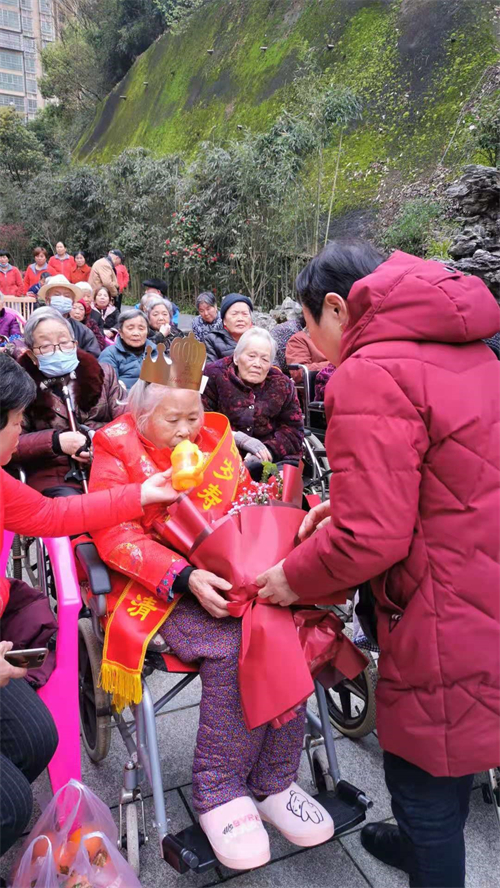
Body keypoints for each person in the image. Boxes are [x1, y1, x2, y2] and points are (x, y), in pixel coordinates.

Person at [256, 240, 500, 888]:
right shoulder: (468, 345)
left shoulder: (367, 372)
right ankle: (419, 843)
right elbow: (451, 471)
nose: (308, 345)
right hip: (484, 573)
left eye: (306, 328)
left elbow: (373, 540)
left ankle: (428, 855)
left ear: (336, 307)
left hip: (443, 604)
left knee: (422, 773)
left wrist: (290, 577)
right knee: (462, 743)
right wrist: (343, 504)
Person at [89, 342, 333, 871]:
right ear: (140, 414)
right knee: (233, 645)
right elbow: (114, 537)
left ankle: (273, 779)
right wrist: (186, 575)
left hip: (227, 571)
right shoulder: (115, 448)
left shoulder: (215, 439)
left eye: (193, 416)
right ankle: (219, 789)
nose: (185, 430)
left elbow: (245, 503)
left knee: (291, 623)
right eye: (171, 419)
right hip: (155, 586)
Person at [0, 352, 193, 858]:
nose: (21, 437)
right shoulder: (116, 442)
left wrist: (140, 493)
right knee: (12, 806)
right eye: (18, 423)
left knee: (38, 739)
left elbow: (51, 513)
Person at [11, 308, 125, 493]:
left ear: (75, 344)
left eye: (64, 342)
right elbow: (11, 444)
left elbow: (126, 422)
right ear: (32, 355)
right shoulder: (19, 385)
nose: (57, 350)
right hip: (54, 473)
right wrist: (55, 441)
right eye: (46, 346)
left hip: (109, 465)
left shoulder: (104, 374)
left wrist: (99, 447)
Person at [203, 328, 304, 479]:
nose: (257, 364)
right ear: (236, 357)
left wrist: (267, 450)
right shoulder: (213, 375)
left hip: (271, 460)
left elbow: (294, 431)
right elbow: (203, 421)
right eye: (251, 356)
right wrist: (239, 439)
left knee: (280, 486)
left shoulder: (282, 384)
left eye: (264, 359)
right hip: (221, 457)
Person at [38, 275, 100, 358]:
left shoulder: (83, 331)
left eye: (67, 296)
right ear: (47, 299)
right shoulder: (36, 326)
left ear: (73, 301)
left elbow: (93, 358)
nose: (62, 298)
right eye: (57, 295)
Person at [99, 308, 155, 390]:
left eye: (141, 328)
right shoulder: (109, 355)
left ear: (147, 332)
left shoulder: (156, 352)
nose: (136, 333)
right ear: (120, 332)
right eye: (130, 328)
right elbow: (108, 390)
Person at [204, 293, 253, 364]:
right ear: (224, 320)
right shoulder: (212, 340)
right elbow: (211, 370)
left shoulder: (261, 338)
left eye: (245, 314)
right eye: (234, 314)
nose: (240, 319)